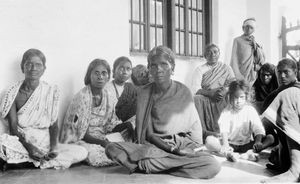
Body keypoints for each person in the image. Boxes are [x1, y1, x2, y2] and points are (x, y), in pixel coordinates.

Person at [105, 45, 220, 179]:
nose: (158, 69)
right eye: (153, 65)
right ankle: (165, 165)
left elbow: (193, 131)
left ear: (172, 68)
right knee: (111, 148)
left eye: (163, 64)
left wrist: (182, 149)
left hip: (180, 146)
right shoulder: (143, 93)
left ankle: (150, 165)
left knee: (212, 165)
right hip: (154, 146)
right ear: (149, 70)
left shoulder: (183, 91)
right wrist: (171, 150)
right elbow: (148, 135)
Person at [0, 49, 88, 170]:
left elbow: (54, 125)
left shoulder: (51, 91)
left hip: (45, 142)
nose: (33, 68)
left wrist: (53, 148)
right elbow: (13, 128)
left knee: (81, 151)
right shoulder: (12, 93)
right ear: (22, 67)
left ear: (44, 69)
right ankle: (32, 160)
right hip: (22, 142)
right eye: (29, 64)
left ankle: (27, 162)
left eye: (38, 64)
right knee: (2, 144)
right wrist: (29, 146)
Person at [61, 59, 132, 167]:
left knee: (128, 140)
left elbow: (111, 123)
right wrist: (103, 143)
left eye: (104, 73)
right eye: (96, 73)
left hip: (103, 135)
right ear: (89, 76)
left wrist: (126, 126)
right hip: (81, 139)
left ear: (108, 76)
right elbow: (80, 133)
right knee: (97, 154)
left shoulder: (108, 95)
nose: (100, 77)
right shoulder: (82, 97)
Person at [205, 80, 274, 162]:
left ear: (247, 97)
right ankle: (229, 154)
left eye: (241, 97)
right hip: (231, 145)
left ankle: (250, 153)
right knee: (209, 140)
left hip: (247, 145)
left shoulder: (250, 110)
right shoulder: (227, 111)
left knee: (270, 138)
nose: (238, 101)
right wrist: (225, 145)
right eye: (235, 97)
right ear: (230, 97)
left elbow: (258, 128)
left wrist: (258, 142)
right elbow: (224, 129)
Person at [260, 58, 300, 183]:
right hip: (285, 149)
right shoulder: (273, 96)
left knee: (289, 94)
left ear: (295, 72)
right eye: (279, 72)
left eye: (286, 72)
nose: (282, 76)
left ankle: (295, 170)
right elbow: (266, 126)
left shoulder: (294, 92)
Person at [192, 44, 235, 140]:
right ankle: (204, 131)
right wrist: (210, 93)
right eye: (209, 52)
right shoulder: (199, 70)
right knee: (196, 99)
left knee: (232, 97)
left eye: (215, 52)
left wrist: (225, 91)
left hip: (222, 95)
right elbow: (196, 89)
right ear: (205, 56)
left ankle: (227, 131)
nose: (212, 54)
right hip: (206, 97)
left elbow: (233, 84)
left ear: (219, 54)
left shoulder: (226, 68)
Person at [230, 18, 265, 85]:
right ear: (243, 28)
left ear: (254, 29)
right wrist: (238, 76)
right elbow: (233, 59)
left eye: (251, 27)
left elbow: (261, 60)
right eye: (247, 27)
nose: (249, 29)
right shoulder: (237, 40)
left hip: (253, 72)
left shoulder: (256, 43)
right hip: (241, 71)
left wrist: (257, 66)